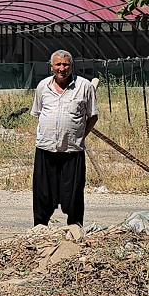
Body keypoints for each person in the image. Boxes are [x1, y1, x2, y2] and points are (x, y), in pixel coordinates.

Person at [30, 50, 98, 227]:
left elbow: (92, 116)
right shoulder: (43, 86)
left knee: (73, 194)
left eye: (65, 64)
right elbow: (38, 113)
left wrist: (79, 136)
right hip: (46, 148)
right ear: (51, 67)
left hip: (72, 150)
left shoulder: (84, 86)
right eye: (58, 64)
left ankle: (74, 230)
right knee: (42, 193)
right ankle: (40, 230)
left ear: (71, 66)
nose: (62, 68)